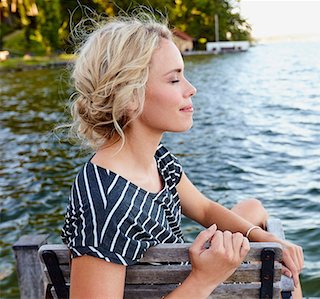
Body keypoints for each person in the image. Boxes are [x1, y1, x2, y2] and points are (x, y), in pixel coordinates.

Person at [60, 12, 304, 299]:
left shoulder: (156, 158)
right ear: (129, 96)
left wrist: (262, 237)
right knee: (287, 279)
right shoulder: (105, 205)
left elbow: (203, 208)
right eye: (175, 80)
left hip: (177, 278)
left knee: (254, 210)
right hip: (190, 288)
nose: (191, 89)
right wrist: (204, 278)